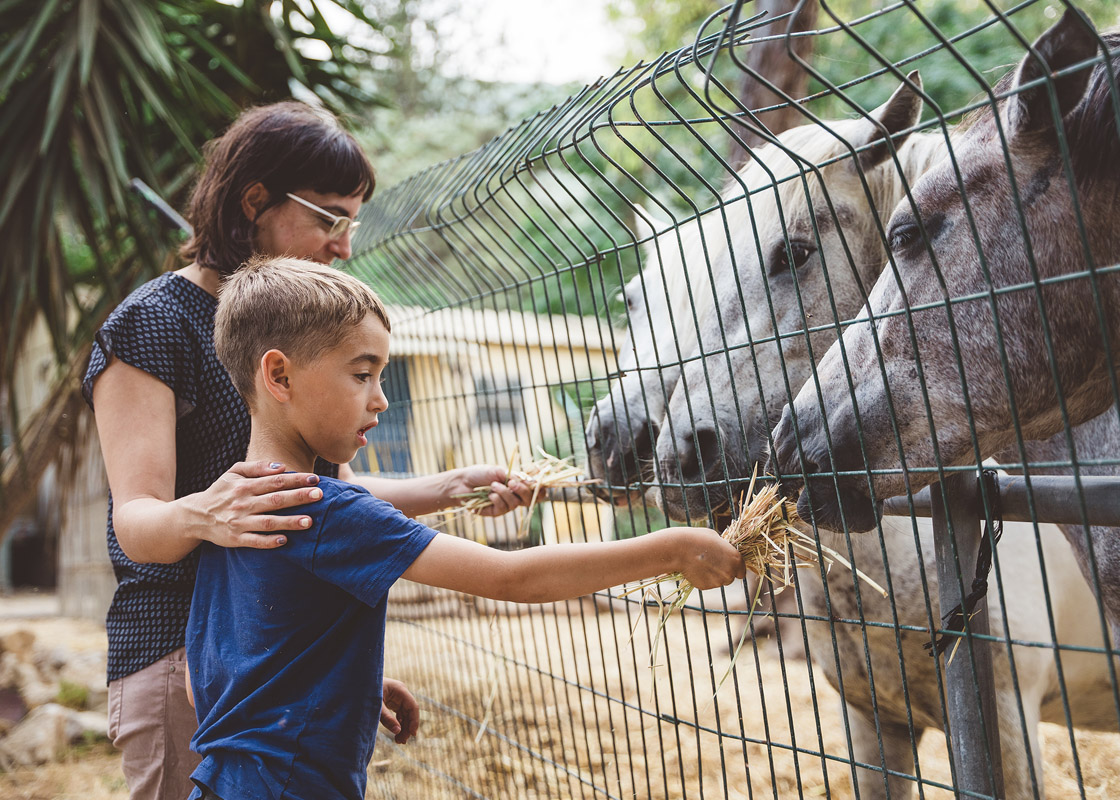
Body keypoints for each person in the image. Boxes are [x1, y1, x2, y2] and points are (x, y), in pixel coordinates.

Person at [82, 101, 532, 800]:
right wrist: (205, 514)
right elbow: (135, 523)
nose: (344, 245)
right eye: (328, 218)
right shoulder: (152, 325)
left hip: (269, 660)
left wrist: (450, 486)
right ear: (254, 201)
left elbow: (320, 501)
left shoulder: (304, 335)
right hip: (181, 657)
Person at [186, 256, 746, 800]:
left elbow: (210, 669)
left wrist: (339, 684)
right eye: (362, 375)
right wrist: (671, 548)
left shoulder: (231, 506)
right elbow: (511, 578)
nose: (380, 400)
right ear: (279, 375)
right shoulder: (325, 509)